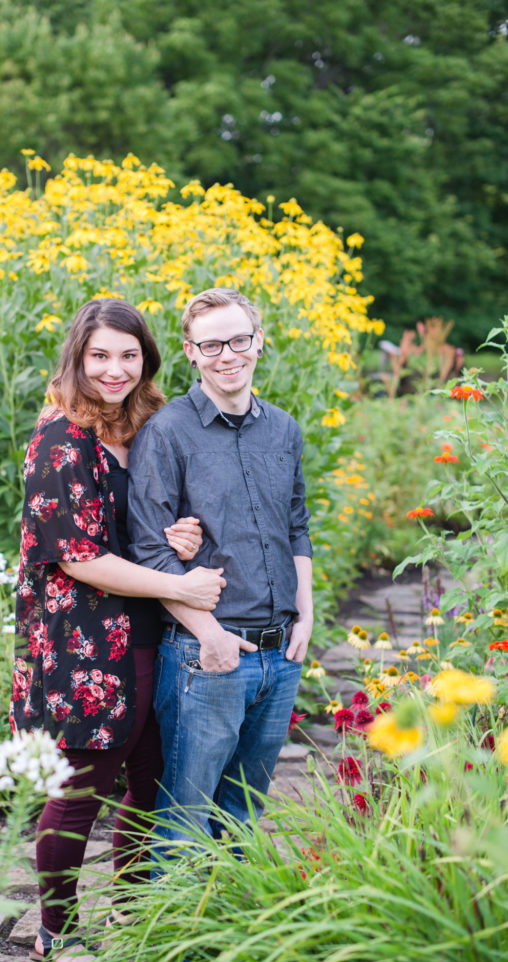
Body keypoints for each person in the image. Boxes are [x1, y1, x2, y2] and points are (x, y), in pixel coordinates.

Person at [11, 298, 225, 962]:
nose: (115, 370)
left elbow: (139, 525)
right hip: (87, 641)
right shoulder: (61, 438)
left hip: (149, 629)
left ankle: (131, 910)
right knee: (83, 786)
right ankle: (57, 933)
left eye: (129, 355)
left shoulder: (146, 425)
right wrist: (184, 586)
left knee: (153, 777)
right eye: (100, 355)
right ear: (78, 358)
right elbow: (77, 556)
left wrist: (177, 538)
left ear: (147, 360)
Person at [127, 287, 313, 848]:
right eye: (211, 345)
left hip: (280, 654)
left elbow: (296, 527)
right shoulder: (167, 432)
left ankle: (234, 908)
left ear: (259, 342)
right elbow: (150, 550)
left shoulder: (284, 429)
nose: (227, 355)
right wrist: (210, 636)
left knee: (243, 816)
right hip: (204, 656)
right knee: (185, 818)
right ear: (190, 351)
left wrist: (305, 617)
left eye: (238, 340)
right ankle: (177, 909)